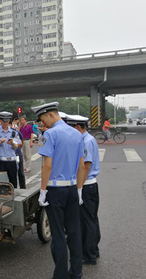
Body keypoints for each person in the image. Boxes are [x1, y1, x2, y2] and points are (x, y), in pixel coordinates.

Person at [31, 102, 85, 279]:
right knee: (74, 231)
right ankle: (76, 272)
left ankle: (60, 275)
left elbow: (47, 166)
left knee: (58, 234)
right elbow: (81, 165)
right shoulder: (77, 134)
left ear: (51, 115)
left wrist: (43, 190)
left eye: (43, 119)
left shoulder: (51, 134)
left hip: (55, 190)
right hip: (71, 189)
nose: (43, 123)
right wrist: (79, 189)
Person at [66, 114, 101, 265]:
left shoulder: (86, 141)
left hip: (86, 186)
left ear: (78, 127)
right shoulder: (87, 139)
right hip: (90, 185)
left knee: (86, 222)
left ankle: (88, 255)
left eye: (71, 128)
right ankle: (93, 250)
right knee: (91, 219)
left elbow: (85, 167)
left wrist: (78, 188)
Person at [0, 112, 19, 188]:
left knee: (13, 183)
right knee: (1, 184)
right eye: (4, 121)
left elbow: (17, 147)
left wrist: (12, 143)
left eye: (7, 121)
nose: (5, 123)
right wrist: (0, 143)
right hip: (1, 161)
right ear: (0, 120)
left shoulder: (14, 132)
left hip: (11, 161)